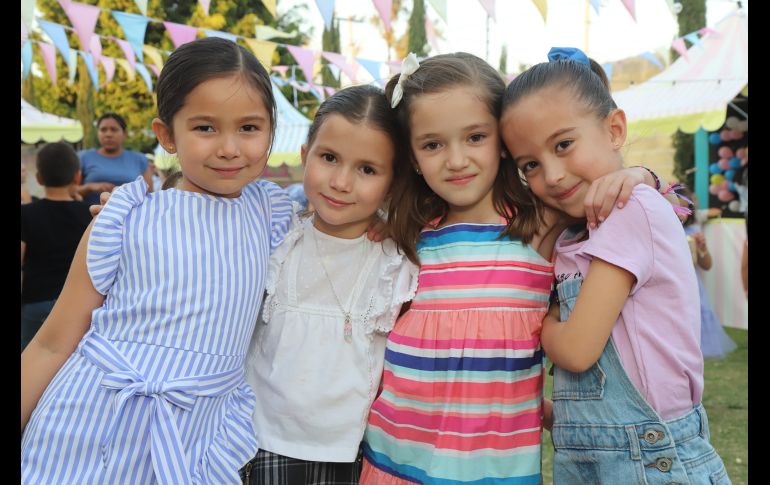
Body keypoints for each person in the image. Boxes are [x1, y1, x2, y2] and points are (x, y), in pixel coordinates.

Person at [359, 52, 663, 485]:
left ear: (502, 141)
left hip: (494, 466)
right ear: (411, 156)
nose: (456, 159)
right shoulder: (408, 235)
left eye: (475, 137)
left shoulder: (538, 222)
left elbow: (661, 208)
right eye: (432, 144)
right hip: (395, 456)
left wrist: (641, 175)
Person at [21, 37, 293, 484]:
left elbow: (346, 218)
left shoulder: (273, 214)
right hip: (89, 425)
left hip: (195, 436)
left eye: (249, 127)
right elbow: (52, 342)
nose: (230, 147)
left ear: (270, 131)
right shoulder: (123, 217)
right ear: (167, 134)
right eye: (205, 128)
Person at [500, 47, 729, 483]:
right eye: (530, 164)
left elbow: (578, 350)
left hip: (648, 457)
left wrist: (537, 315)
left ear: (615, 129)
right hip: (598, 456)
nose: (551, 175)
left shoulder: (628, 210)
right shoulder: (575, 231)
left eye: (564, 144)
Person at [240, 85, 418, 485]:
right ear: (305, 155)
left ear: (393, 181)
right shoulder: (274, 236)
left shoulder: (398, 261)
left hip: (348, 457)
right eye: (329, 158)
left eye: (367, 169)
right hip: (251, 444)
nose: (340, 181)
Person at [21, 142, 92, 351]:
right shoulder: (90, 213)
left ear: (39, 178)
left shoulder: (26, 214)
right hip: (79, 305)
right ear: (77, 177)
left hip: (36, 302)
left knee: (29, 358)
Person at [680, 185, 737, 359]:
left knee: (697, 313)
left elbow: (706, 264)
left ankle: (700, 347)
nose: (681, 214)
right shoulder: (661, 231)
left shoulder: (692, 232)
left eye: (684, 209)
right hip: (671, 285)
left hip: (692, 284)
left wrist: (702, 248)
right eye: (676, 208)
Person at [77, 112, 153, 205]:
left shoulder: (140, 159)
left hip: (130, 217)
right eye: (103, 130)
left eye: (114, 130)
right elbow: (69, 191)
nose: (108, 134)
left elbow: (150, 195)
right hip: (91, 216)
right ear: (97, 133)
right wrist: (90, 187)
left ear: (125, 133)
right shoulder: (84, 157)